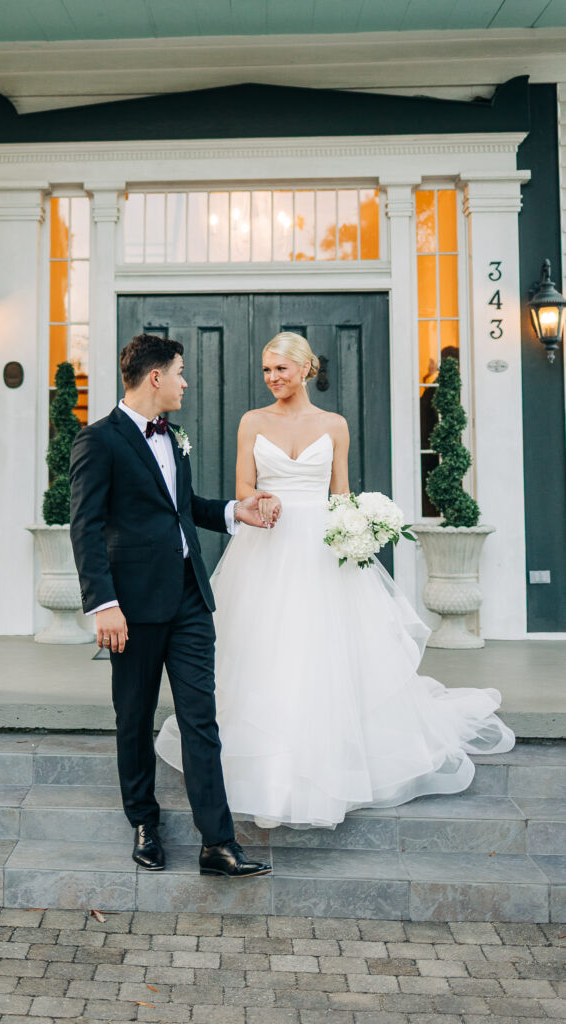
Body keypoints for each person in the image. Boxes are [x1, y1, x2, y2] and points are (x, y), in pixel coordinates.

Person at [155, 332, 515, 829]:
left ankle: (330, 766)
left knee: (324, 653)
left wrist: (356, 530)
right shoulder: (252, 422)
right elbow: (242, 487)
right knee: (267, 650)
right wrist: (260, 499)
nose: (273, 378)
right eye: (266, 370)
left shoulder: (335, 425)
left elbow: (340, 493)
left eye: (281, 369)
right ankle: (269, 772)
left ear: (306, 369)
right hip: (267, 546)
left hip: (323, 550)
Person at [69, 333, 275, 874]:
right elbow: (85, 529)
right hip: (130, 610)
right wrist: (103, 604)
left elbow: (183, 509)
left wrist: (236, 512)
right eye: (180, 373)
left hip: (189, 600)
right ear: (155, 377)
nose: (186, 382)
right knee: (133, 718)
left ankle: (218, 843)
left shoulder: (175, 437)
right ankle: (143, 823)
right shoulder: (99, 440)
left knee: (200, 720)